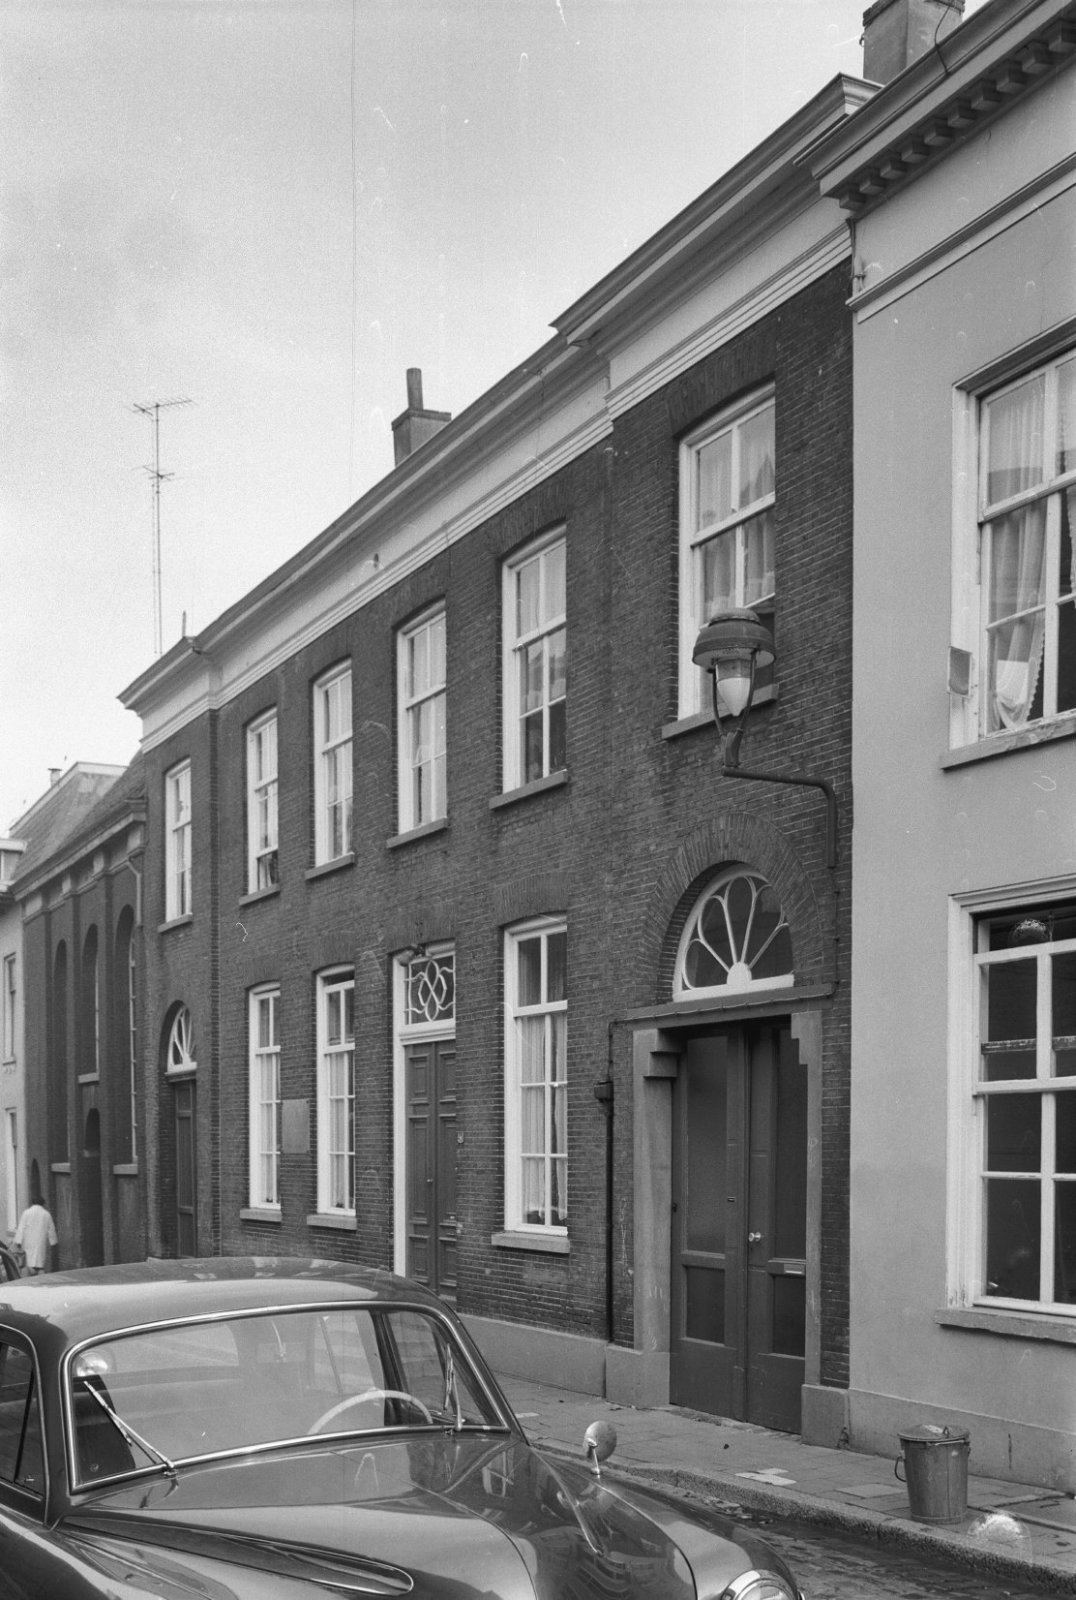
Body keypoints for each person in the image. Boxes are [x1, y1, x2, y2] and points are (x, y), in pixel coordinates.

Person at [12, 1192, 57, 1276]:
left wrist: (18, 1241)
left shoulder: (27, 1213)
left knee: (29, 1260)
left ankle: (31, 1273)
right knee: (39, 1261)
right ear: (42, 1203)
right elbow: (51, 1229)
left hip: (28, 1241)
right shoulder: (46, 1214)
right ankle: (40, 1273)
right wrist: (53, 1242)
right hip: (40, 1241)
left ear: (32, 1202)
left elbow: (21, 1227)